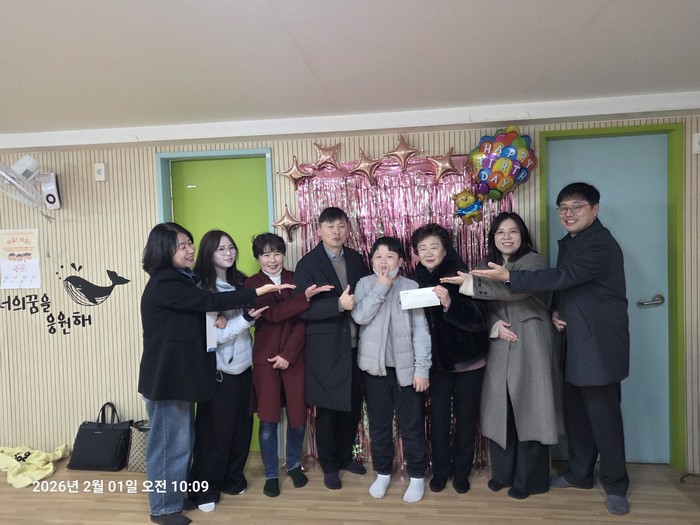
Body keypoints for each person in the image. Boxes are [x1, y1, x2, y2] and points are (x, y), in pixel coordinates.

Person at [471, 183, 631, 515]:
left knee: (604, 420)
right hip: (570, 341)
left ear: (595, 209)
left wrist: (509, 277)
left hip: (598, 346)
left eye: (577, 206)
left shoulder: (600, 244)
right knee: (576, 416)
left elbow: (564, 275)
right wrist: (557, 310)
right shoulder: (572, 242)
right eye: (563, 208)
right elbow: (569, 286)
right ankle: (580, 474)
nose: (568, 213)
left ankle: (616, 485)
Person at [138, 222, 292, 525]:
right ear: (164, 250)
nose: (190, 250)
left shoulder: (183, 279)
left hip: (181, 378)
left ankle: (173, 498)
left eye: (190, 243)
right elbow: (209, 301)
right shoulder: (165, 282)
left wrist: (218, 319)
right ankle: (163, 509)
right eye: (182, 245)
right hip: (166, 379)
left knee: (182, 443)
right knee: (169, 446)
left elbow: (200, 315)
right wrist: (255, 292)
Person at [441, 212, 561, 500]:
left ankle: (530, 480)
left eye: (513, 231)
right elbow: (484, 306)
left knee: (531, 410)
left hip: (530, 340)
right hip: (498, 342)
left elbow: (515, 291)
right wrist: (494, 326)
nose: (506, 237)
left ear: (523, 235)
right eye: (500, 232)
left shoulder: (534, 262)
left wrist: (471, 283)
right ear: (492, 237)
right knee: (500, 410)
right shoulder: (485, 264)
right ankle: (503, 474)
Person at [243, 233, 333, 498]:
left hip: (295, 357)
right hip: (265, 359)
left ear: (284, 254)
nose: (272, 260)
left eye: (277, 253)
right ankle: (271, 474)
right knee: (268, 419)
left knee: (297, 416)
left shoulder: (296, 278)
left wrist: (289, 353)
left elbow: (302, 321)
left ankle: (293, 464)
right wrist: (303, 298)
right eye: (265, 254)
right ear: (258, 258)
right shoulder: (252, 284)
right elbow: (272, 314)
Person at [186, 230, 267, 512]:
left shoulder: (242, 282)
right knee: (214, 434)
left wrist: (242, 319)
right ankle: (204, 489)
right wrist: (244, 319)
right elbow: (214, 338)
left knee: (241, 429)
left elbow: (250, 320)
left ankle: (233, 478)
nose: (228, 253)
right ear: (208, 254)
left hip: (245, 366)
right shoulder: (202, 289)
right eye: (221, 249)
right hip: (219, 371)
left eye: (231, 247)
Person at [410, 223, 489, 494]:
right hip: (438, 365)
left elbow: (480, 319)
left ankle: (462, 472)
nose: (428, 253)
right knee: (439, 419)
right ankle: (441, 471)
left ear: (446, 250)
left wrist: (449, 304)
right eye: (423, 248)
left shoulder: (461, 275)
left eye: (434, 247)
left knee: (466, 420)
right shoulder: (415, 280)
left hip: (469, 361)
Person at [352, 236, 431, 503]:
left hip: (407, 372)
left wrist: (422, 369)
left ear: (400, 260)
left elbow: (421, 331)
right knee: (379, 426)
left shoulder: (411, 287)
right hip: (374, 371)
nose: (383, 261)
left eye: (389, 256)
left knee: (411, 425)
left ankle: (417, 475)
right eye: (378, 256)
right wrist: (380, 288)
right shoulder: (364, 284)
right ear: (371, 260)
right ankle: (383, 472)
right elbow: (359, 316)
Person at [292, 206, 367, 490]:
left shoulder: (356, 259)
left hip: (357, 346)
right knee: (327, 410)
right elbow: (302, 309)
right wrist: (338, 305)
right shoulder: (307, 264)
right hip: (325, 348)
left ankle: (345, 456)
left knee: (352, 407)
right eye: (330, 226)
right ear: (319, 230)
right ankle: (329, 465)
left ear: (348, 229)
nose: (336, 232)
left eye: (341, 226)